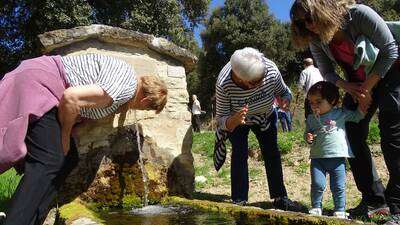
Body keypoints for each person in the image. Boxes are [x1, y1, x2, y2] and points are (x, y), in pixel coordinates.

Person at [0, 53, 168, 225]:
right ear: (146, 99)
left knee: (69, 159)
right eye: (145, 109)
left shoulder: (126, 83)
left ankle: (33, 219)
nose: (141, 111)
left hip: (45, 86)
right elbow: (71, 97)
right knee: (49, 160)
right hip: (39, 83)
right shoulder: (125, 87)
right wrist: (65, 137)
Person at [290, 0, 399, 221]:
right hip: (357, 85)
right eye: (301, 24)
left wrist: (367, 88)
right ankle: (375, 200)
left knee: (393, 136)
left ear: (322, 8)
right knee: (350, 131)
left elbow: (390, 50)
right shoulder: (317, 40)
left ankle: (397, 205)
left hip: (392, 74)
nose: (308, 26)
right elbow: (327, 73)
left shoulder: (359, 15)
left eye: (309, 18)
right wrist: (350, 88)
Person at [214, 47, 298, 210]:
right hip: (237, 119)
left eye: (262, 79)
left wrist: (286, 101)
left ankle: (280, 197)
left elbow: (285, 92)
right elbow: (222, 120)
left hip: (266, 116)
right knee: (239, 153)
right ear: (239, 78)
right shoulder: (224, 84)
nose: (261, 83)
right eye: (255, 82)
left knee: (272, 152)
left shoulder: (270, 70)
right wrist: (234, 120)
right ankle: (239, 200)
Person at [305, 81, 365, 219]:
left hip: (338, 158)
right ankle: (316, 207)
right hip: (317, 158)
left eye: (318, 102)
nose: (314, 106)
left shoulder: (341, 113)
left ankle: (339, 210)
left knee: (338, 186)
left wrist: (364, 101)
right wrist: (307, 137)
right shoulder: (311, 118)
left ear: (332, 100)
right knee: (317, 184)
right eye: (311, 103)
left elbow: (357, 116)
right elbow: (307, 133)